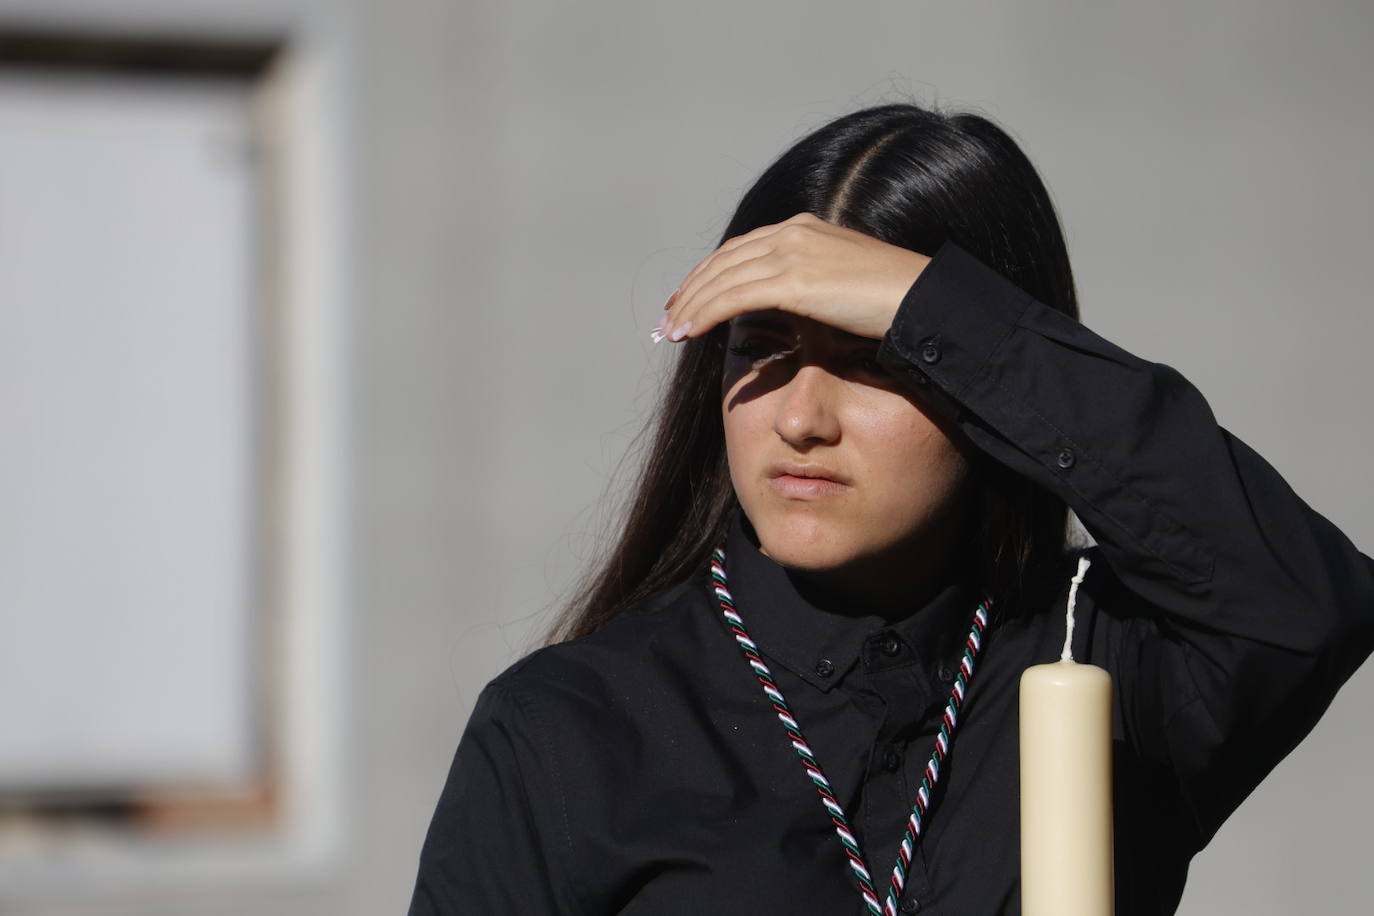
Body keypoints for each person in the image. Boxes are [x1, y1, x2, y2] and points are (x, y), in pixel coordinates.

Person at [406, 103, 1374, 915]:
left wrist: (937, 310)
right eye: (762, 347)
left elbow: (1304, 602)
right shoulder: (568, 728)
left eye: (877, 361)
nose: (800, 418)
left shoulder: (1103, 661)